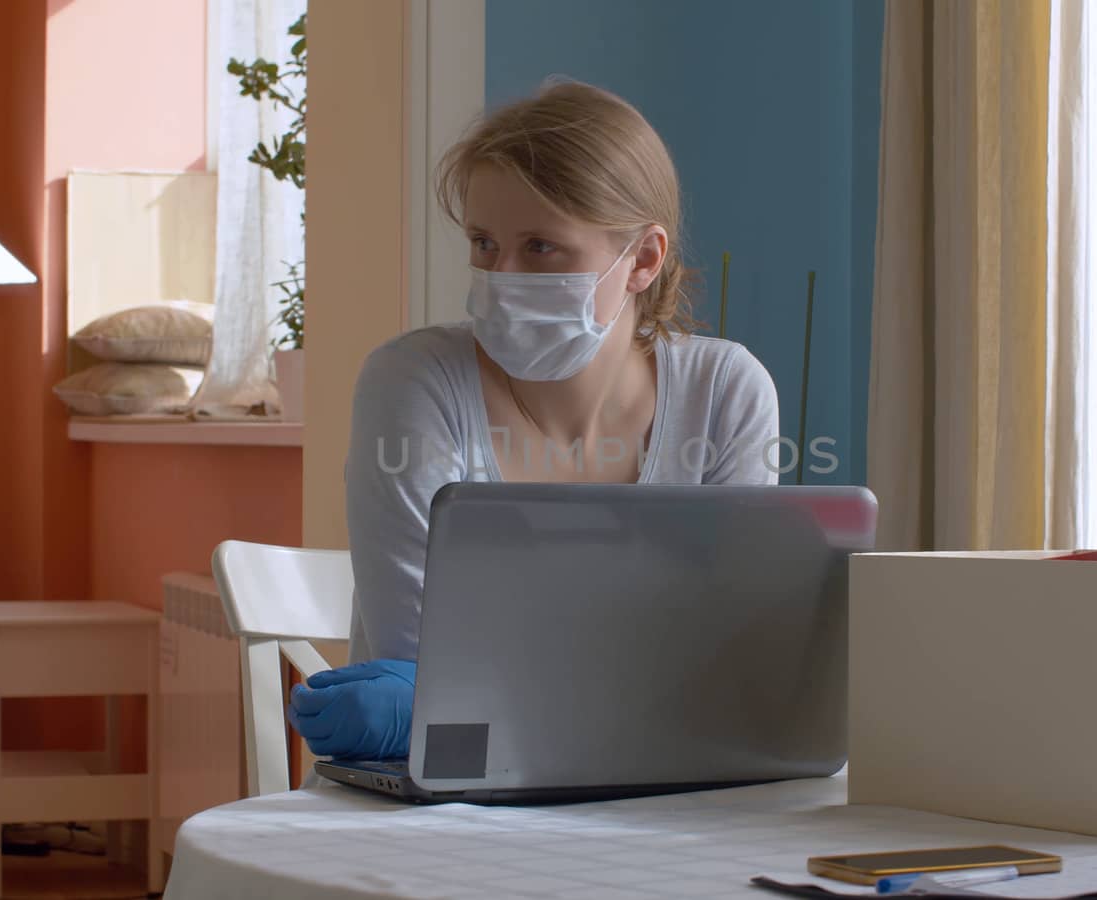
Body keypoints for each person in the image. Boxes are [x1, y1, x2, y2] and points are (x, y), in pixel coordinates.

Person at [287, 79, 781, 762]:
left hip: (665, 794)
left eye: (541, 247)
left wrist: (492, 694)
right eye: (484, 243)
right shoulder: (413, 382)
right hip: (446, 808)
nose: (501, 274)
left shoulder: (725, 392)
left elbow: (734, 663)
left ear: (643, 259)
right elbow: (423, 673)